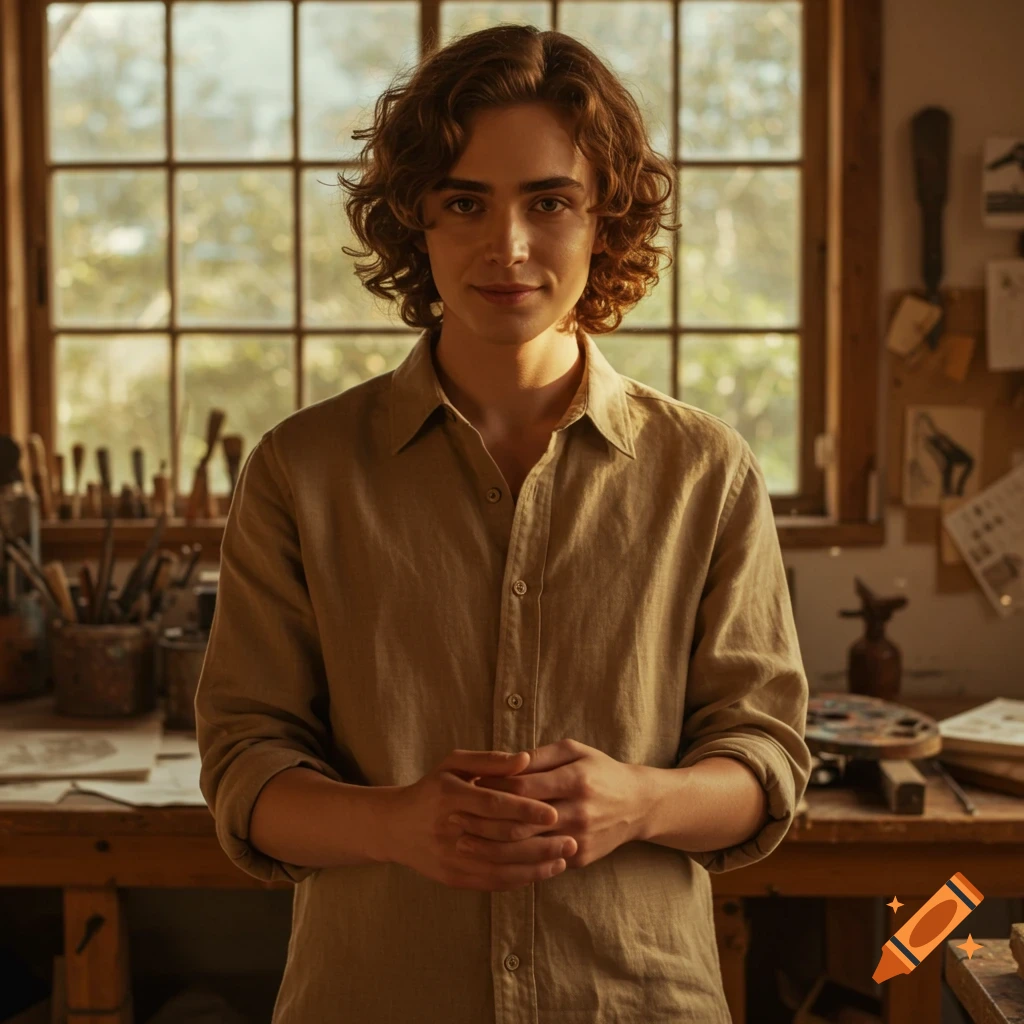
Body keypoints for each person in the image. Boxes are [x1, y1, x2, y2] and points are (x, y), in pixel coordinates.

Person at [196, 22, 811, 1024]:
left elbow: (766, 759)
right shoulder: (300, 471)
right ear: (416, 221)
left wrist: (640, 802)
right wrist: (394, 825)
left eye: (549, 202)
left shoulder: (706, 471)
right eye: (465, 202)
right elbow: (243, 768)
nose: (508, 245)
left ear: (604, 219)